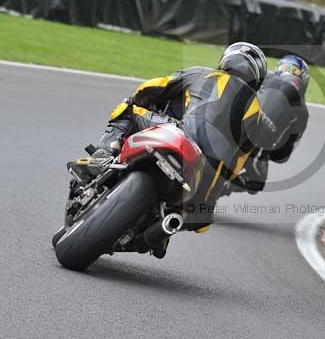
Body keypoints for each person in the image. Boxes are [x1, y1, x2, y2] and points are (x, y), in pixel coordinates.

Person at [89, 41, 268, 256]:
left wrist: (140, 100)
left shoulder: (203, 74)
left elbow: (150, 87)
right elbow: (237, 163)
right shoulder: (257, 115)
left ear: (226, 60)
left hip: (179, 137)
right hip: (206, 177)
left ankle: (104, 153)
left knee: (129, 107)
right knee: (190, 215)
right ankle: (161, 231)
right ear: (258, 78)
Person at [228, 55, 310, 194]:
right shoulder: (303, 111)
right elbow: (282, 155)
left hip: (232, 122)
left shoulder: (264, 76)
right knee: (257, 182)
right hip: (257, 144)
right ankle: (225, 187)